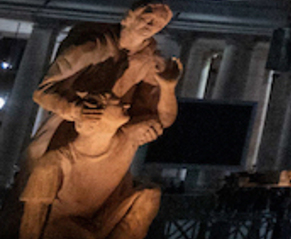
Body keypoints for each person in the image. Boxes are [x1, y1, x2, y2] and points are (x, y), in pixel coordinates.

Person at [27, 0, 179, 167]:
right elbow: (42, 92)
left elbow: (162, 119)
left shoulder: (151, 62)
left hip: (114, 139)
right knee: (45, 170)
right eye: (147, 18)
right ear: (128, 18)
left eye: (159, 23)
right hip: (71, 129)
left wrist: (167, 88)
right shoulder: (90, 48)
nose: (151, 25)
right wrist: (75, 110)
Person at [18, 89, 177, 239]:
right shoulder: (54, 162)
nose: (126, 106)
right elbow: (32, 219)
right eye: (116, 103)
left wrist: (167, 87)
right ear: (96, 114)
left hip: (98, 221)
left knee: (150, 195)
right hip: (62, 229)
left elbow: (163, 120)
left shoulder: (126, 138)